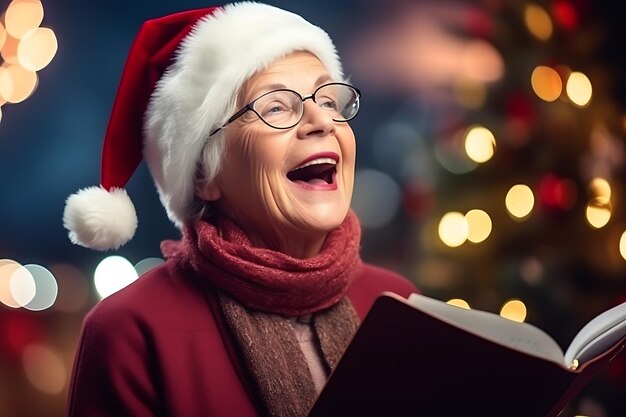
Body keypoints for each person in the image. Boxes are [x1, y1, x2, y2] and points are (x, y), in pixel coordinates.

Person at [62, 2, 417, 416]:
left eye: (328, 99)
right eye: (276, 106)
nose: (321, 121)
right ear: (204, 176)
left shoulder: (399, 303)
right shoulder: (130, 332)